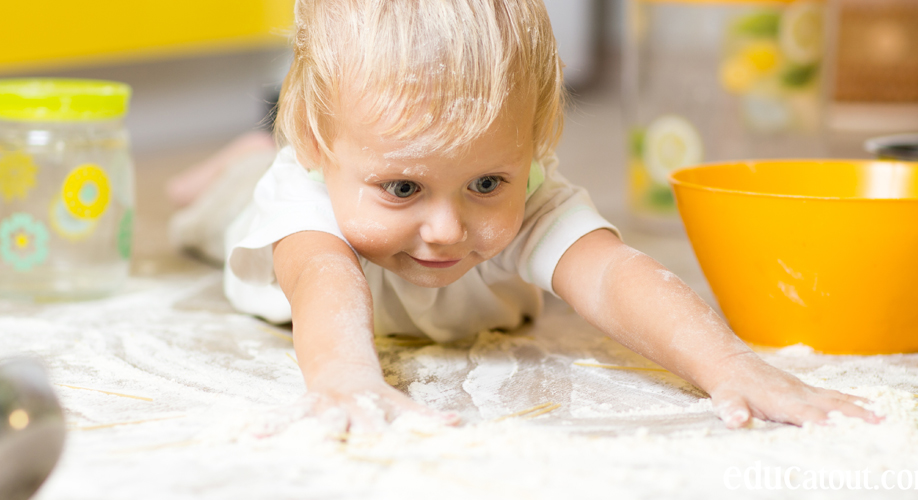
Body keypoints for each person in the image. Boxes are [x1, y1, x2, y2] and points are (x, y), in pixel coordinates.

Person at [169, 0, 880, 432]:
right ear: (319, 148)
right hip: (249, 203)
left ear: (535, 145)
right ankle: (248, 150)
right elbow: (322, 282)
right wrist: (348, 381)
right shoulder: (306, 191)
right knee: (221, 203)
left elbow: (610, 276)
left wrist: (731, 368)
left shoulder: (532, 189)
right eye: (402, 189)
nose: (447, 228)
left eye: (484, 181)